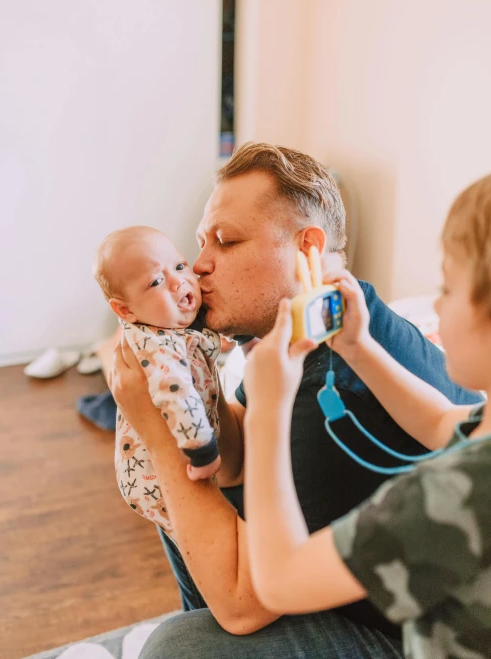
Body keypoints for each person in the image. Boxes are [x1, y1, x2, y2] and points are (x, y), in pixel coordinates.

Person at [108, 143, 480, 658]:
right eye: (199, 245)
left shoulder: (331, 385)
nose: (198, 267)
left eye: (226, 241)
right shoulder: (330, 330)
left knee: (182, 646)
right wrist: (189, 380)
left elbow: (246, 604)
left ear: (308, 248)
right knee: (188, 497)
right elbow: (235, 457)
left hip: (410, 635)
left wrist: (157, 432)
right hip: (348, 573)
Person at [243, 173, 491, 658]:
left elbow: (281, 579)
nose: (437, 302)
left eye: (449, 286)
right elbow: (444, 421)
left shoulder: (459, 489)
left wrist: (266, 410)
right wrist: (358, 348)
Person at [94, 226, 226, 537]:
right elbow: (176, 395)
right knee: (199, 533)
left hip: (177, 457)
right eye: (156, 281)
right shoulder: (155, 348)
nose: (179, 280)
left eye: (179, 266)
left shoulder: (162, 319)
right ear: (125, 310)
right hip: (156, 474)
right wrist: (203, 452)